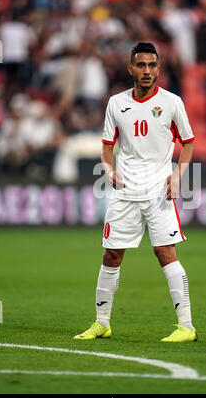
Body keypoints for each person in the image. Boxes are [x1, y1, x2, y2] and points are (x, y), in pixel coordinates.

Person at [74, 42, 197, 342]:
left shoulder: (172, 102)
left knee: (165, 253)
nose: (147, 71)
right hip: (125, 192)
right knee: (111, 255)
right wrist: (109, 172)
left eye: (152, 65)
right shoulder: (116, 104)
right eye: (141, 65)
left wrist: (178, 176)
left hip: (159, 192)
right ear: (131, 69)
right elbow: (106, 149)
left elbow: (188, 143)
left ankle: (186, 327)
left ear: (158, 69)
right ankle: (102, 323)